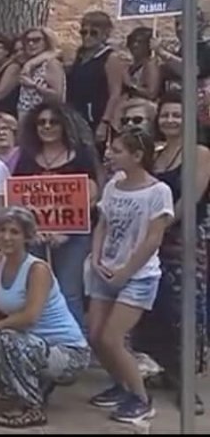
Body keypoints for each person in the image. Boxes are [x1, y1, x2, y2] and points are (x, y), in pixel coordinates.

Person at [0, 207, 90, 429]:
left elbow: (30, 316)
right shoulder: (1, 261)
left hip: (68, 351)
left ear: (26, 236)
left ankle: (31, 407)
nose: (7, 237)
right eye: (2, 230)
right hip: (33, 343)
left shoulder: (37, 269)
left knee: (6, 339)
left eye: (14, 232)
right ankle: (32, 387)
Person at [86, 129, 173, 424]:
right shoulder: (114, 185)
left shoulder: (158, 191)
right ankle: (121, 383)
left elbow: (153, 238)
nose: (110, 155)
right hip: (106, 268)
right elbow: (103, 224)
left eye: (118, 150)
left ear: (137, 156)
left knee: (112, 337)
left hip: (139, 275)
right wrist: (96, 258)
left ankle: (141, 398)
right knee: (96, 335)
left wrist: (126, 271)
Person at [134, 92, 210, 413]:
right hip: (153, 239)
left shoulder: (199, 152)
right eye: (165, 115)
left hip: (185, 237)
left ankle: (188, 386)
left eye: (177, 115)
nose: (170, 120)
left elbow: (190, 198)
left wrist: (161, 225)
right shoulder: (157, 153)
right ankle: (168, 369)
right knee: (158, 307)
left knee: (185, 309)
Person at [13, 103, 101, 327]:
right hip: (35, 237)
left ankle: (74, 343)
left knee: (69, 291)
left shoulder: (81, 156)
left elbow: (91, 196)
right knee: (34, 291)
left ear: (64, 125)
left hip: (74, 236)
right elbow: (17, 198)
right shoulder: (26, 157)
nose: (47, 126)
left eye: (53, 122)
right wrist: (34, 231)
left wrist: (65, 231)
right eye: (41, 122)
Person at [66, 11, 127, 147]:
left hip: (96, 116)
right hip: (76, 115)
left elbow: (115, 93)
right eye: (84, 32)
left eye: (93, 33)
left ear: (105, 34)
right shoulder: (79, 57)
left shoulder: (110, 58)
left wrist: (105, 122)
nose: (87, 37)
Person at [16, 27, 65, 120]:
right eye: (27, 41)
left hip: (43, 119)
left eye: (36, 40)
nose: (31, 44)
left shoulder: (51, 64)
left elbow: (57, 97)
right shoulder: (30, 64)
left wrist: (34, 85)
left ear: (46, 42)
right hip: (24, 117)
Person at [124, 27, 160, 100]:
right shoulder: (130, 65)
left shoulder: (150, 65)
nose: (135, 45)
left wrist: (129, 85)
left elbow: (151, 93)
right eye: (132, 41)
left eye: (140, 42)